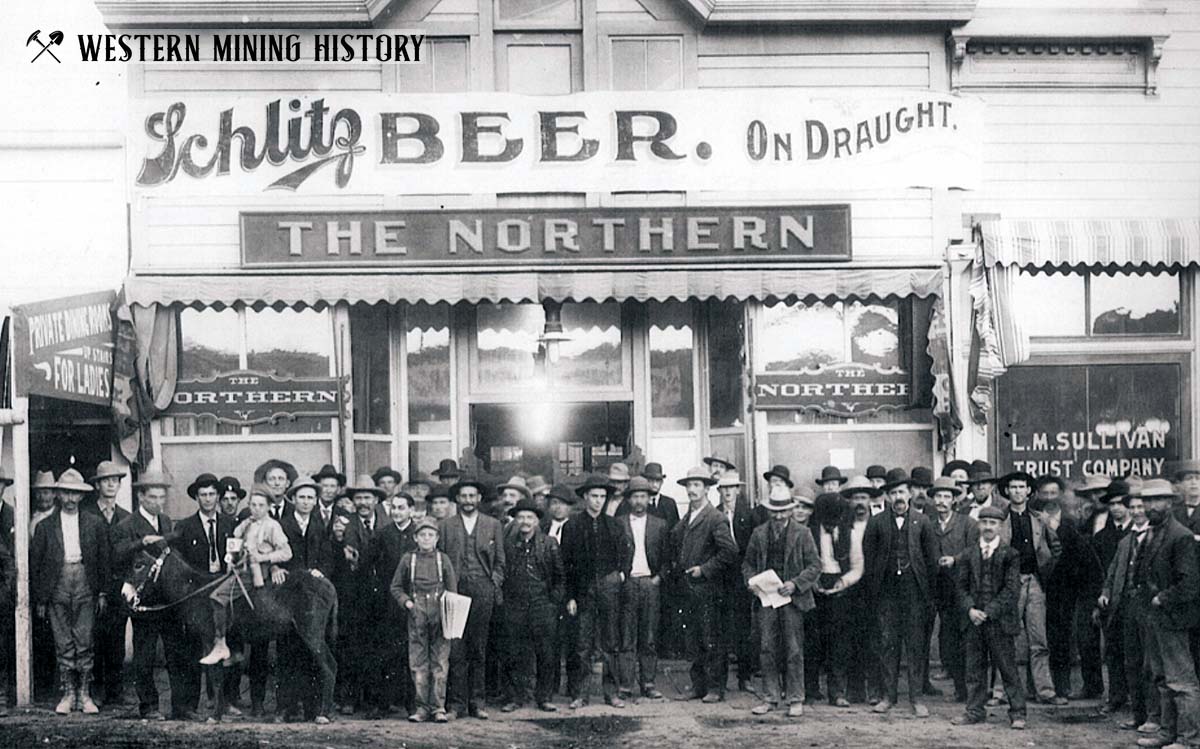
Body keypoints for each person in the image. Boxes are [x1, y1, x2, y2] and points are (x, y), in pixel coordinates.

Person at [30, 468, 111, 715]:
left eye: (75, 494)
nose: (70, 499)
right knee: (63, 641)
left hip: (85, 580)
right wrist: (41, 597)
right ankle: (68, 694)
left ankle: (84, 695)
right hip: (58, 582)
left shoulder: (94, 523)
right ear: (58, 494)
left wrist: (102, 592)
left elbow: (103, 559)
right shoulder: (45, 526)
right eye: (65, 493)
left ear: (82, 496)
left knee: (84, 640)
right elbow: (37, 564)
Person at [112, 469, 191, 721]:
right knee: (144, 657)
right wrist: (141, 543)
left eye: (161, 498)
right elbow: (117, 555)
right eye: (153, 497)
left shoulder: (167, 522)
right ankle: (149, 706)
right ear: (141, 498)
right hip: (145, 601)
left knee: (177, 654)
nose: (158, 502)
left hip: (169, 600)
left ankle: (181, 707)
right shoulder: (126, 525)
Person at [863, 468, 938, 718]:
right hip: (886, 592)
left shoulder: (922, 521)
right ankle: (888, 696)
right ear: (887, 496)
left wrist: (929, 595)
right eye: (893, 492)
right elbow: (870, 557)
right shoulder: (876, 523)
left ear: (910, 493)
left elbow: (931, 560)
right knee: (888, 644)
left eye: (902, 492)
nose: (898, 497)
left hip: (914, 592)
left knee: (915, 645)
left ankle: (916, 698)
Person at [744, 486, 821, 718]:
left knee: (794, 649)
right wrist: (751, 581)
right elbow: (747, 564)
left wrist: (796, 584)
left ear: (790, 510)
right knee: (767, 648)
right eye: (774, 512)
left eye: (783, 512)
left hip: (792, 600)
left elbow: (815, 565)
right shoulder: (759, 533)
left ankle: (795, 698)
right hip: (767, 599)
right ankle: (771, 697)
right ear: (769, 511)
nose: (778, 517)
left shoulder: (802, 534)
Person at [1135, 478, 1200, 749]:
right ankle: (1167, 733)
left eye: (1157, 500)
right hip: (1157, 618)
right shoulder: (1154, 532)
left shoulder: (1180, 536)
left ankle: (1188, 739)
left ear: (1170, 502)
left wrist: (1162, 598)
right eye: (1147, 500)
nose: (1151, 506)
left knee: (1182, 682)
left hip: (1174, 618)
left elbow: (1190, 583)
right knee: (1162, 678)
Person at [950, 505, 1028, 730]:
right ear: (979, 525)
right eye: (984, 523)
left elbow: (1011, 590)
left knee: (1007, 668)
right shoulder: (968, 553)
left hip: (999, 622)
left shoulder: (1011, 554)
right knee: (974, 669)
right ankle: (974, 711)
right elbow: (960, 587)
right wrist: (971, 610)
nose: (988, 527)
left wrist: (989, 612)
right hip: (973, 620)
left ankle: (1018, 713)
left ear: (1001, 527)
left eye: (993, 523)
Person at [201, 486, 292, 666]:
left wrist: (263, 557)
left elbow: (287, 552)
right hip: (240, 570)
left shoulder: (272, 526)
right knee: (233, 605)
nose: (256, 509)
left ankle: (220, 644)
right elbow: (234, 544)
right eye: (253, 504)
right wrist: (231, 559)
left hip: (257, 573)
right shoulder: (247, 523)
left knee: (217, 597)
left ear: (268, 507)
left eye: (261, 505)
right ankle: (233, 649)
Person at [440, 475, 506, 720]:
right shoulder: (446, 525)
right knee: (456, 648)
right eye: (463, 496)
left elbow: (500, 561)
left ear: (479, 498)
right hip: (455, 590)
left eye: (472, 496)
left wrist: (492, 584)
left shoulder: (493, 524)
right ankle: (456, 704)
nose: (468, 500)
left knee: (479, 648)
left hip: (482, 590)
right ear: (457, 498)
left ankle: (477, 702)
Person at [997, 470, 1064, 705]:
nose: (1017, 491)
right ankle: (1002, 692)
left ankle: (1045, 691)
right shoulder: (999, 518)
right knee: (1006, 638)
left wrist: (1044, 570)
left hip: (1034, 582)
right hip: (1009, 585)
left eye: (1021, 487)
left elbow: (1055, 548)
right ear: (1007, 491)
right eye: (1013, 487)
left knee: (1039, 639)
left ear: (1028, 491)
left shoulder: (1039, 519)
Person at [672, 466, 738, 703]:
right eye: (689, 485)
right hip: (689, 590)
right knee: (693, 639)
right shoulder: (687, 518)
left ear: (707, 489)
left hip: (708, 589)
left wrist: (705, 569)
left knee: (711, 639)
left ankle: (715, 688)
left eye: (697, 485)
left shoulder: (715, 517)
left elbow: (730, 551)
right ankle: (697, 686)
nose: (691, 490)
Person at [172, 473, 236, 717]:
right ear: (196, 498)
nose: (208, 499)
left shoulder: (230, 524)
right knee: (197, 646)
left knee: (226, 643)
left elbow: (236, 555)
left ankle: (224, 700)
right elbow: (178, 562)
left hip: (224, 587)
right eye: (203, 495)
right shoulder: (185, 526)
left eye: (211, 494)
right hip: (197, 592)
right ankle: (192, 704)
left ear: (218, 496)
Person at [1099, 491, 1161, 734]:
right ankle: (1139, 715)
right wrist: (1105, 592)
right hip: (1126, 609)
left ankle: (1155, 717)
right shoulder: (1126, 541)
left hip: (1150, 608)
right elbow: (1113, 572)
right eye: (1132, 507)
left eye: (1140, 507)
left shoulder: (1157, 537)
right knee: (1131, 663)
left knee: (1151, 665)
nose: (1136, 512)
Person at [561, 474, 624, 709]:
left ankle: (612, 693)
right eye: (594, 496)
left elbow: (625, 553)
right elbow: (566, 564)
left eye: (602, 497)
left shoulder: (614, 525)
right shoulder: (573, 526)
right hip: (583, 590)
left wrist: (620, 575)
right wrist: (570, 596)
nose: (598, 501)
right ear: (585, 497)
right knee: (582, 645)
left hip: (609, 588)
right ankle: (581, 694)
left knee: (610, 643)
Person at [277, 475, 336, 722]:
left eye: (311, 497)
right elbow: (276, 551)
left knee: (312, 646)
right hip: (290, 593)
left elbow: (328, 555)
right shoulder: (283, 523)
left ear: (315, 500)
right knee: (288, 647)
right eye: (301, 497)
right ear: (293, 499)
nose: (306, 502)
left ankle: (314, 708)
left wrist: (320, 570)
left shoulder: (320, 525)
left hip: (313, 593)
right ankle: (287, 708)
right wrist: (279, 569)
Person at [500, 498, 564, 713]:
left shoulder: (549, 544)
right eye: (520, 517)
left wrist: (552, 603)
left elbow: (559, 578)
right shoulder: (508, 545)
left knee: (545, 653)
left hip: (542, 606)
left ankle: (544, 697)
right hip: (515, 606)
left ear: (537, 521)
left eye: (529, 517)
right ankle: (515, 698)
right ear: (515, 520)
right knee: (513, 653)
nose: (525, 522)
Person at [392, 516, 457, 723]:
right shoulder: (407, 559)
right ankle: (421, 708)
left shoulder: (443, 559)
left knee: (439, 663)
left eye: (431, 535)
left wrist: (447, 613)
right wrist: (407, 603)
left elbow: (452, 590)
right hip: (416, 614)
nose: (426, 539)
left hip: (440, 614)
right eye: (422, 535)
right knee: (418, 663)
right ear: (415, 538)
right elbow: (396, 587)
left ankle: (438, 707)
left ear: (437, 538)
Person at [364, 491, 418, 717]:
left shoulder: (419, 534)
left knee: (413, 651)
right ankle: (383, 703)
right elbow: (368, 564)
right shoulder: (382, 534)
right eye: (394, 508)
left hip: (415, 600)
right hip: (387, 601)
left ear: (411, 510)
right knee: (385, 652)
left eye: (402, 508)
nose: (397, 512)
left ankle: (413, 703)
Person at [615, 477, 668, 703]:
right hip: (627, 584)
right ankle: (626, 685)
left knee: (648, 636)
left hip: (650, 583)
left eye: (643, 496)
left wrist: (658, 578)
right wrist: (621, 576)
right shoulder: (618, 523)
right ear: (628, 499)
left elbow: (668, 558)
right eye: (635, 496)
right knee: (626, 636)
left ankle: (648, 683)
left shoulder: (660, 525)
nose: (639, 501)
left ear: (649, 499)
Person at [1082, 480, 1133, 709]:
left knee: (1136, 652)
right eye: (1112, 504)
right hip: (1109, 602)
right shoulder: (1102, 537)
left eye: (1121, 503)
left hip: (1133, 601)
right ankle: (1116, 697)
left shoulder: (1139, 533)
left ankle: (1138, 699)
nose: (1117, 508)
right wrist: (1097, 601)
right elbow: (1095, 572)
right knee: (1113, 651)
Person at [928, 476, 978, 703]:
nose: (941, 501)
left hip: (962, 587)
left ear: (954, 500)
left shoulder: (967, 523)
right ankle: (959, 687)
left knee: (966, 638)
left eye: (946, 496)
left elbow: (974, 551)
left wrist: (955, 559)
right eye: (938, 496)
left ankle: (970, 689)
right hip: (937, 588)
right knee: (947, 639)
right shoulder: (927, 523)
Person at [85, 461, 131, 706]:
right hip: (93, 588)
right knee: (95, 639)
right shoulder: (87, 514)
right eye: (106, 480)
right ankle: (96, 690)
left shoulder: (125, 517)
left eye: (115, 480)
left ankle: (116, 691)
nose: (111, 484)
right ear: (97, 485)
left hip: (119, 588)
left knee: (117, 640)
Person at [812, 491, 864, 707]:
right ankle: (810, 690)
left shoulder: (848, 534)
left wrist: (842, 583)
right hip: (814, 584)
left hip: (840, 588)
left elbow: (858, 566)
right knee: (812, 641)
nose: (832, 525)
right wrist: (813, 582)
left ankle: (837, 692)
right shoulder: (810, 533)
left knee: (839, 643)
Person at [840, 475, 885, 704]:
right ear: (849, 501)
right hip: (850, 589)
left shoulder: (879, 523)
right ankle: (855, 689)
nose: (859, 502)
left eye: (863, 497)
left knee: (874, 639)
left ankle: (875, 689)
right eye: (855, 498)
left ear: (870, 500)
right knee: (852, 638)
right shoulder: (843, 525)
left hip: (874, 588)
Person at [715, 471, 756, 693]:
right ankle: (720, 681)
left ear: (738, 490)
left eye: (732, 488)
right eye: (724, 488)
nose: (728, 492)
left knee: (743, 629)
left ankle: (745, 677)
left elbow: (754, 547)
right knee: (721, 629)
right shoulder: (714, 514)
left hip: (742, 578)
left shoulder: (748, 515)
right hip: (721, 578)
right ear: (719, 491)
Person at [542, 484, 578, 695]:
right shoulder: (543, 526)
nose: (558, 508)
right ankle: (551, 685)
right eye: (554, 503)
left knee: (573, 641)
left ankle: (573, 687)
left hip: (570, 592)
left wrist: (571, 595)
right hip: (548, 592)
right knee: (549, 641)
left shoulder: (576, 527)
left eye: (562, 504)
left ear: (569, 507)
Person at [312, 464, 346, 528]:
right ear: (318, 488)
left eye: (332, 486)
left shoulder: (344, 514)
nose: (328, 491)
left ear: (338, 489)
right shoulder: (309, 510)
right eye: (325, 486)